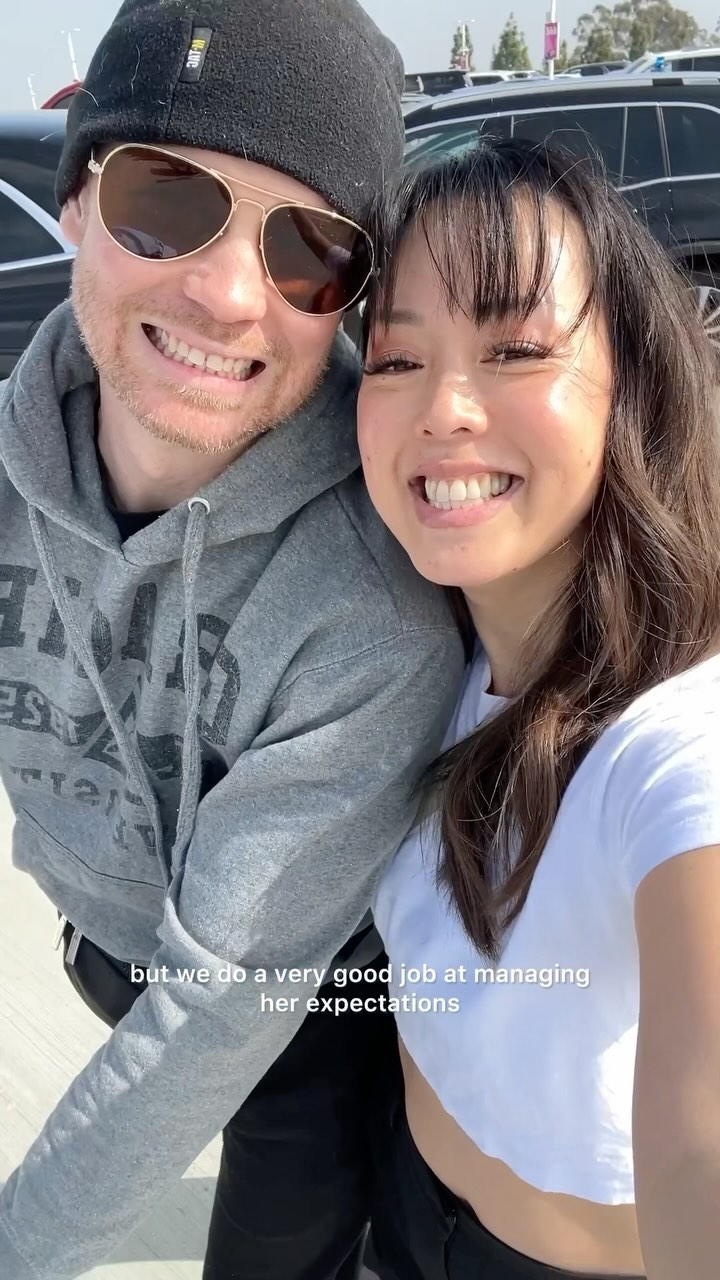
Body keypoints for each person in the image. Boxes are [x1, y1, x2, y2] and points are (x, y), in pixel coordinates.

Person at [0, 2, 466, 1278]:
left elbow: (221, 1008)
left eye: (308, 246)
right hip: (106, 946)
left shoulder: (371, 612)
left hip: (310, 1010)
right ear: (78, 200)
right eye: (166, 200)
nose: (224, 292)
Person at [357, 138, 720, 1280]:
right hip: (399, 1210)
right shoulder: (420, 650)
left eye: (515, 349)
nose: (444, 408)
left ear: (635, 383)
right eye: (396, 357)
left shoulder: (678, 745)